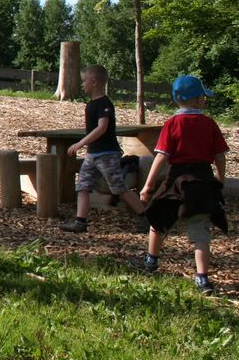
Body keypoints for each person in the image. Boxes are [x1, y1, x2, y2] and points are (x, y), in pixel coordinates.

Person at [133, 75, 229, 295]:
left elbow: (161, 156)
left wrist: (147, 186)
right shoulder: (209, 124)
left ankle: (151, 261)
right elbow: (220, 156)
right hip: (202, 181)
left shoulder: (172, 123)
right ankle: (202, 278)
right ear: (196, 99)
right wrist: (220, 179)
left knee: (157, 218)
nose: (205, 100)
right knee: (200, 231)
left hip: (176, 181)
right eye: (203, 96)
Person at [58, 64, 146, 233]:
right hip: (93, 154)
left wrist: (80, 143)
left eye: (84, 81)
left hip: (107, 154)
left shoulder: (105, 104)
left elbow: (102, 127)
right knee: (83, 186)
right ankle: (80, 222)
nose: (82, 84)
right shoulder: (91, 104)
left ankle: (145, 216)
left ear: (94, 82)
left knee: (119, 188)